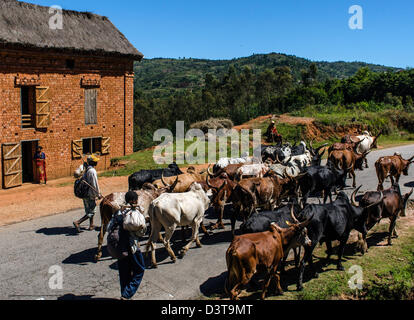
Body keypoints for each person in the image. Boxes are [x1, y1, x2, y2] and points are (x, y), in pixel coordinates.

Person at [108, 191, 146, 300]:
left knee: (124, 273)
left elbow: (109, 228)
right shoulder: (134, 212)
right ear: (134, 201)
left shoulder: (118, 213)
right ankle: (127, 294)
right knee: (139, 269)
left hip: (119, 248)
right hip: (131, 246)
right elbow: (141, 231)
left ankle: (124, 295)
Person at [73, 154, 102, 232]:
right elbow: (94, 184)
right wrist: (98, 194)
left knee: (88, 209)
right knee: (92, 211)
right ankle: (78, 222)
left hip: (85, 193)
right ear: (92, 162)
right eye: (95, 161)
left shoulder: (86, 169)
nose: (97, 162)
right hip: (90, 193)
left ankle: (91, 225)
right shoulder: (92, 171)